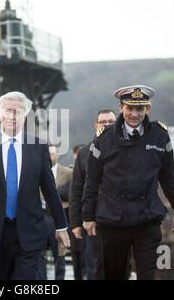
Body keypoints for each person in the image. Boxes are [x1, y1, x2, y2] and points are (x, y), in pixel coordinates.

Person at [82, 85, 174, 280]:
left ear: (148, 109)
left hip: (146, 218)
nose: (134, 114)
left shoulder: (160, 136)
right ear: (121, 107)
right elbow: (92, 180)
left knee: (148, 274)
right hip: (113, 220)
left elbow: (168, 177)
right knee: (113, 275)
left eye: (140, 109)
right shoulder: (104, 139)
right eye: (130, 108)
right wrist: (88, 216)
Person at [0, 91, 70, 280]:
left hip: (29, 233)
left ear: (25, 115)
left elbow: (50, 190)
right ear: (0, 113)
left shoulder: (38, 147)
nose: (12, 116)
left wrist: (61, 226)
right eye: (8, 110)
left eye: (18, 111)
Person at [69, 109, 117, 280]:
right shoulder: (83, 154)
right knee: (95, 264)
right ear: (96, 125)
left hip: (121, 218)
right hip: (93, 219)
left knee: (120, 263)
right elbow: (76, 189)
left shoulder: (126, 148)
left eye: (111, 121)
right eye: (103, 122)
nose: (107, 125)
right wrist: (75, 223)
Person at [38, 145, 73, 280]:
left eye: (52, 154)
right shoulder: (36, 171)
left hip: (59, 220)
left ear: (57, 155)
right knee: (39, 256)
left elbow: (74, 193)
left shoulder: (68, 173)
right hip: (41, 220)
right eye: (48, 154)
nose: (50, 157)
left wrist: (68, 204)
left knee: (60, 255)